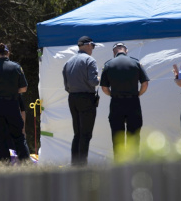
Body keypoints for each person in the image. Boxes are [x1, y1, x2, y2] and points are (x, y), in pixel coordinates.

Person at [0, 43, 30, 164]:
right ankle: (25, 163)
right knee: (18, 136)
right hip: (12, 105)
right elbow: (24, 88)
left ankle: (5, 165)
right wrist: (12, 90)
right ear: (8, 53)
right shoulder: (16, 67)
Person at [100, 43, 149, 159]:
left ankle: (119, 164)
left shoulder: (108, 64)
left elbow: (104, 88)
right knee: (134, 135)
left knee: (118, 135)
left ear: (114, 52)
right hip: (133, 103)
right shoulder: (136, 63)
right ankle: (134, 162)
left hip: (116, 103)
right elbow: (145, 84)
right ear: (126, 51)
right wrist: (138, 94)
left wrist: (113, 94)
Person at [62, 36, 100, 166]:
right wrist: (101, 78)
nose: (93, 49)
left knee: (77, 134)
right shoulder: (90, 60)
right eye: (93, 46)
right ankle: (82, 166)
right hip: (86, 98)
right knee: (85, 134)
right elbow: (93, 82)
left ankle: (75, 164)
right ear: (88, 45)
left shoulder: (68, 62)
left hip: (72, 98)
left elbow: (66, 86)